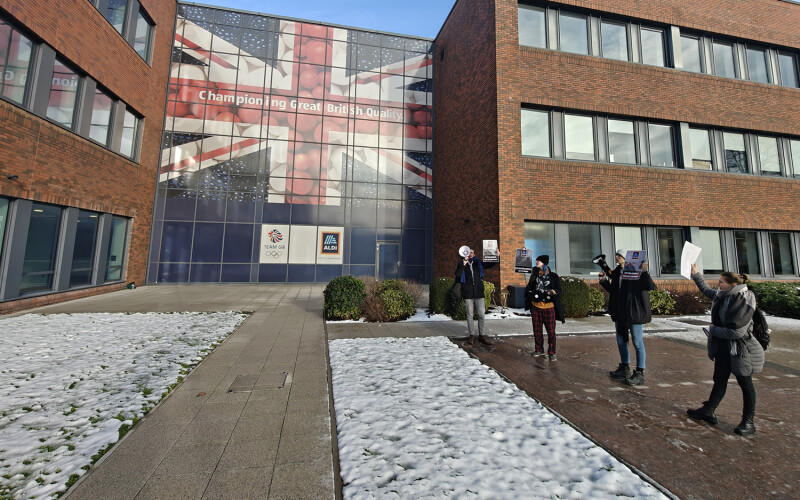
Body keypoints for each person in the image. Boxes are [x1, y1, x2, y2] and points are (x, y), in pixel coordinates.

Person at [687, 263, 764, 436]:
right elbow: (707, 290)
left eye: (721, 282)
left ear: (732, 285)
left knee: (746, 384)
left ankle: (748, 422)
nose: (718, 284)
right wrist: (696, 274)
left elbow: (737, 332)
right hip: (723, 346)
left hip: (740, 349)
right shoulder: (724, 296)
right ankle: (708, 411)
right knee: (720, 379)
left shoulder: (744, 300)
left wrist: (713, 329)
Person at [599, 249, 655, 386]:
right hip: (620, 311)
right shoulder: (617, 272)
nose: (617, 257)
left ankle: (640, 372)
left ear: (626, 258)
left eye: (619, 255)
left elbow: (649, 286)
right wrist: (603, 281)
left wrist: (644, 272)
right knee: (621, 340)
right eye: (616, 254)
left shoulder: (636, 271)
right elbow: (614, 291)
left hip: (633, 311)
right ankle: (625, 367)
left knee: (637, 341)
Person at [524, 255, 564, 361]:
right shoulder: (534, 275)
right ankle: (539, 349)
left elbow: (559, 290)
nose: (536, 262)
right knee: (537, 330)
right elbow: (529, 287)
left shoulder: (553, 276)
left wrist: (551, 292)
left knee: (551, 331)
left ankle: (552, 352)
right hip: (536, 306)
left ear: (544, 262)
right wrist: (530, 294)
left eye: (539, 260)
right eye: (536, 260)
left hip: (549, 307)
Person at [455, 248, 492, 346]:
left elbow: (490, 264)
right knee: (469, 315)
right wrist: (463, 265)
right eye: (468, 252)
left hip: (478, 292)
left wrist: (497, 256)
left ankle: (482, 335)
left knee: (481, 314)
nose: (470, 254)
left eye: (471, 252)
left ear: (474, 253)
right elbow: (458, 275)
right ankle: (471, 335)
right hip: (468, 292)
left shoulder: (478, 262)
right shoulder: (461, 263)